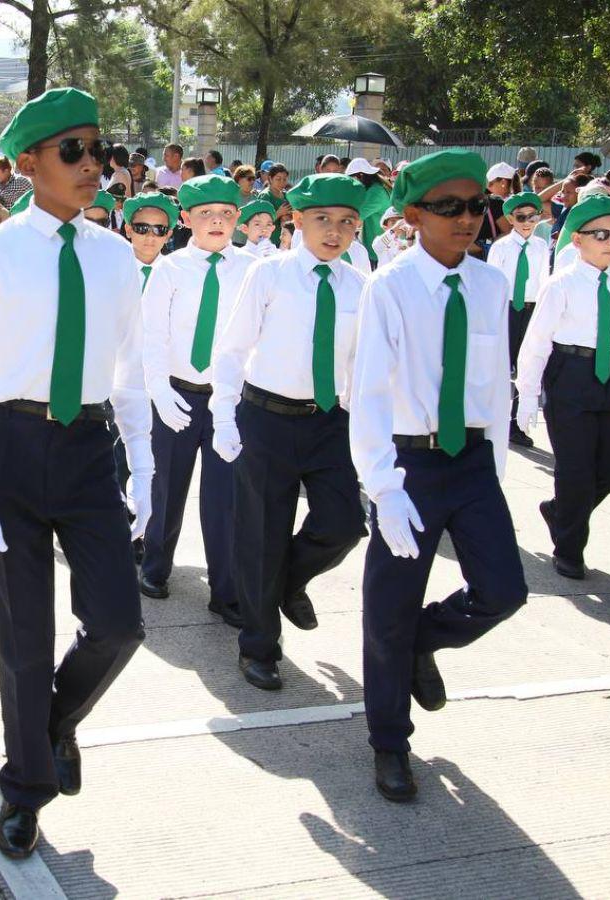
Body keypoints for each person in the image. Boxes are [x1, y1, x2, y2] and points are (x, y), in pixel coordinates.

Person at [0, 88, 151, 859]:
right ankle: (26, 787)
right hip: (11, 448)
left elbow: (129, 373)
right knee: (26, 639)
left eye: (101, 151)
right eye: (74, 152)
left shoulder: (118, 255)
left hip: (90, 452)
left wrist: (145, 467)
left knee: (121, 625)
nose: (94, 165)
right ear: (29, 165)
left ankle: (54, 722)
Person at [350, 149, 527, 802]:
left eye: (477, 205)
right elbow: (367, 393)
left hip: (473, 461)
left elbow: (496, 387)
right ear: (415, 214)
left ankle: (423, 640)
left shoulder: (489, 285)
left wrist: (499, 468)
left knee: (504, 591)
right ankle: (390, 744)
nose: (468, 219)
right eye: (450, 207)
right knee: (388, 608)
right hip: (410, 462)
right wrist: (383, 489)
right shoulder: (389, 286)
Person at [212, 173, 369, 691]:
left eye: (347, 222)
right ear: (296, 221)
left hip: (329, 423)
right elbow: (232, 348)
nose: (334, 231)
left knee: (345, 523)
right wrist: (225, 416)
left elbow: (368, 366)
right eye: (323, 219)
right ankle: (259, 648)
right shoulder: (270, 274)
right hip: (266, 417)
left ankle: (291, 580)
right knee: (262, 537)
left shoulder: (360, 286)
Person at [140, 173, 254, 627]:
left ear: (237, 220)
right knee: (166, 486)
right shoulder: (170, 269)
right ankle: (155, 566)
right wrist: (159, 391)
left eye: (226, 214)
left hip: (229, 400)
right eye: (206, 214)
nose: (217, 222)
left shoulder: (252, 270)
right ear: (186, 219)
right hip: (178, 393)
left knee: (225, 497)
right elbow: (152, 335)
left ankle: (225, 590)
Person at [515, 195, 610, 579]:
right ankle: (569, 548)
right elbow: (536, 342)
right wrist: (526, 395)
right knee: (575, 470)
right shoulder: (562, 284)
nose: (609, 242)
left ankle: (560, 511)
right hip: (570, 374)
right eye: (599, 234)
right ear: (577, 240)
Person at [487, 191, 551, 447]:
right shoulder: (501, 247)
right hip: (507, 310)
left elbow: (543, 280)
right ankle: (496, 419)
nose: (527, 222)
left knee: (528, 365)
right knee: (503, 366)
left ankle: (517, 422)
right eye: (521, 217)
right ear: (510, 219)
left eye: (532, 216)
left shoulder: (540, 246)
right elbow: (493, 284)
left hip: (532, 308)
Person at [345, 158, 391, 265]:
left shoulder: (375, 192)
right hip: (379, 248)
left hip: (379, 252)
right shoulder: (376, 188)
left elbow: (355, 218)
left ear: (360, 176)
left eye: (352, 180)